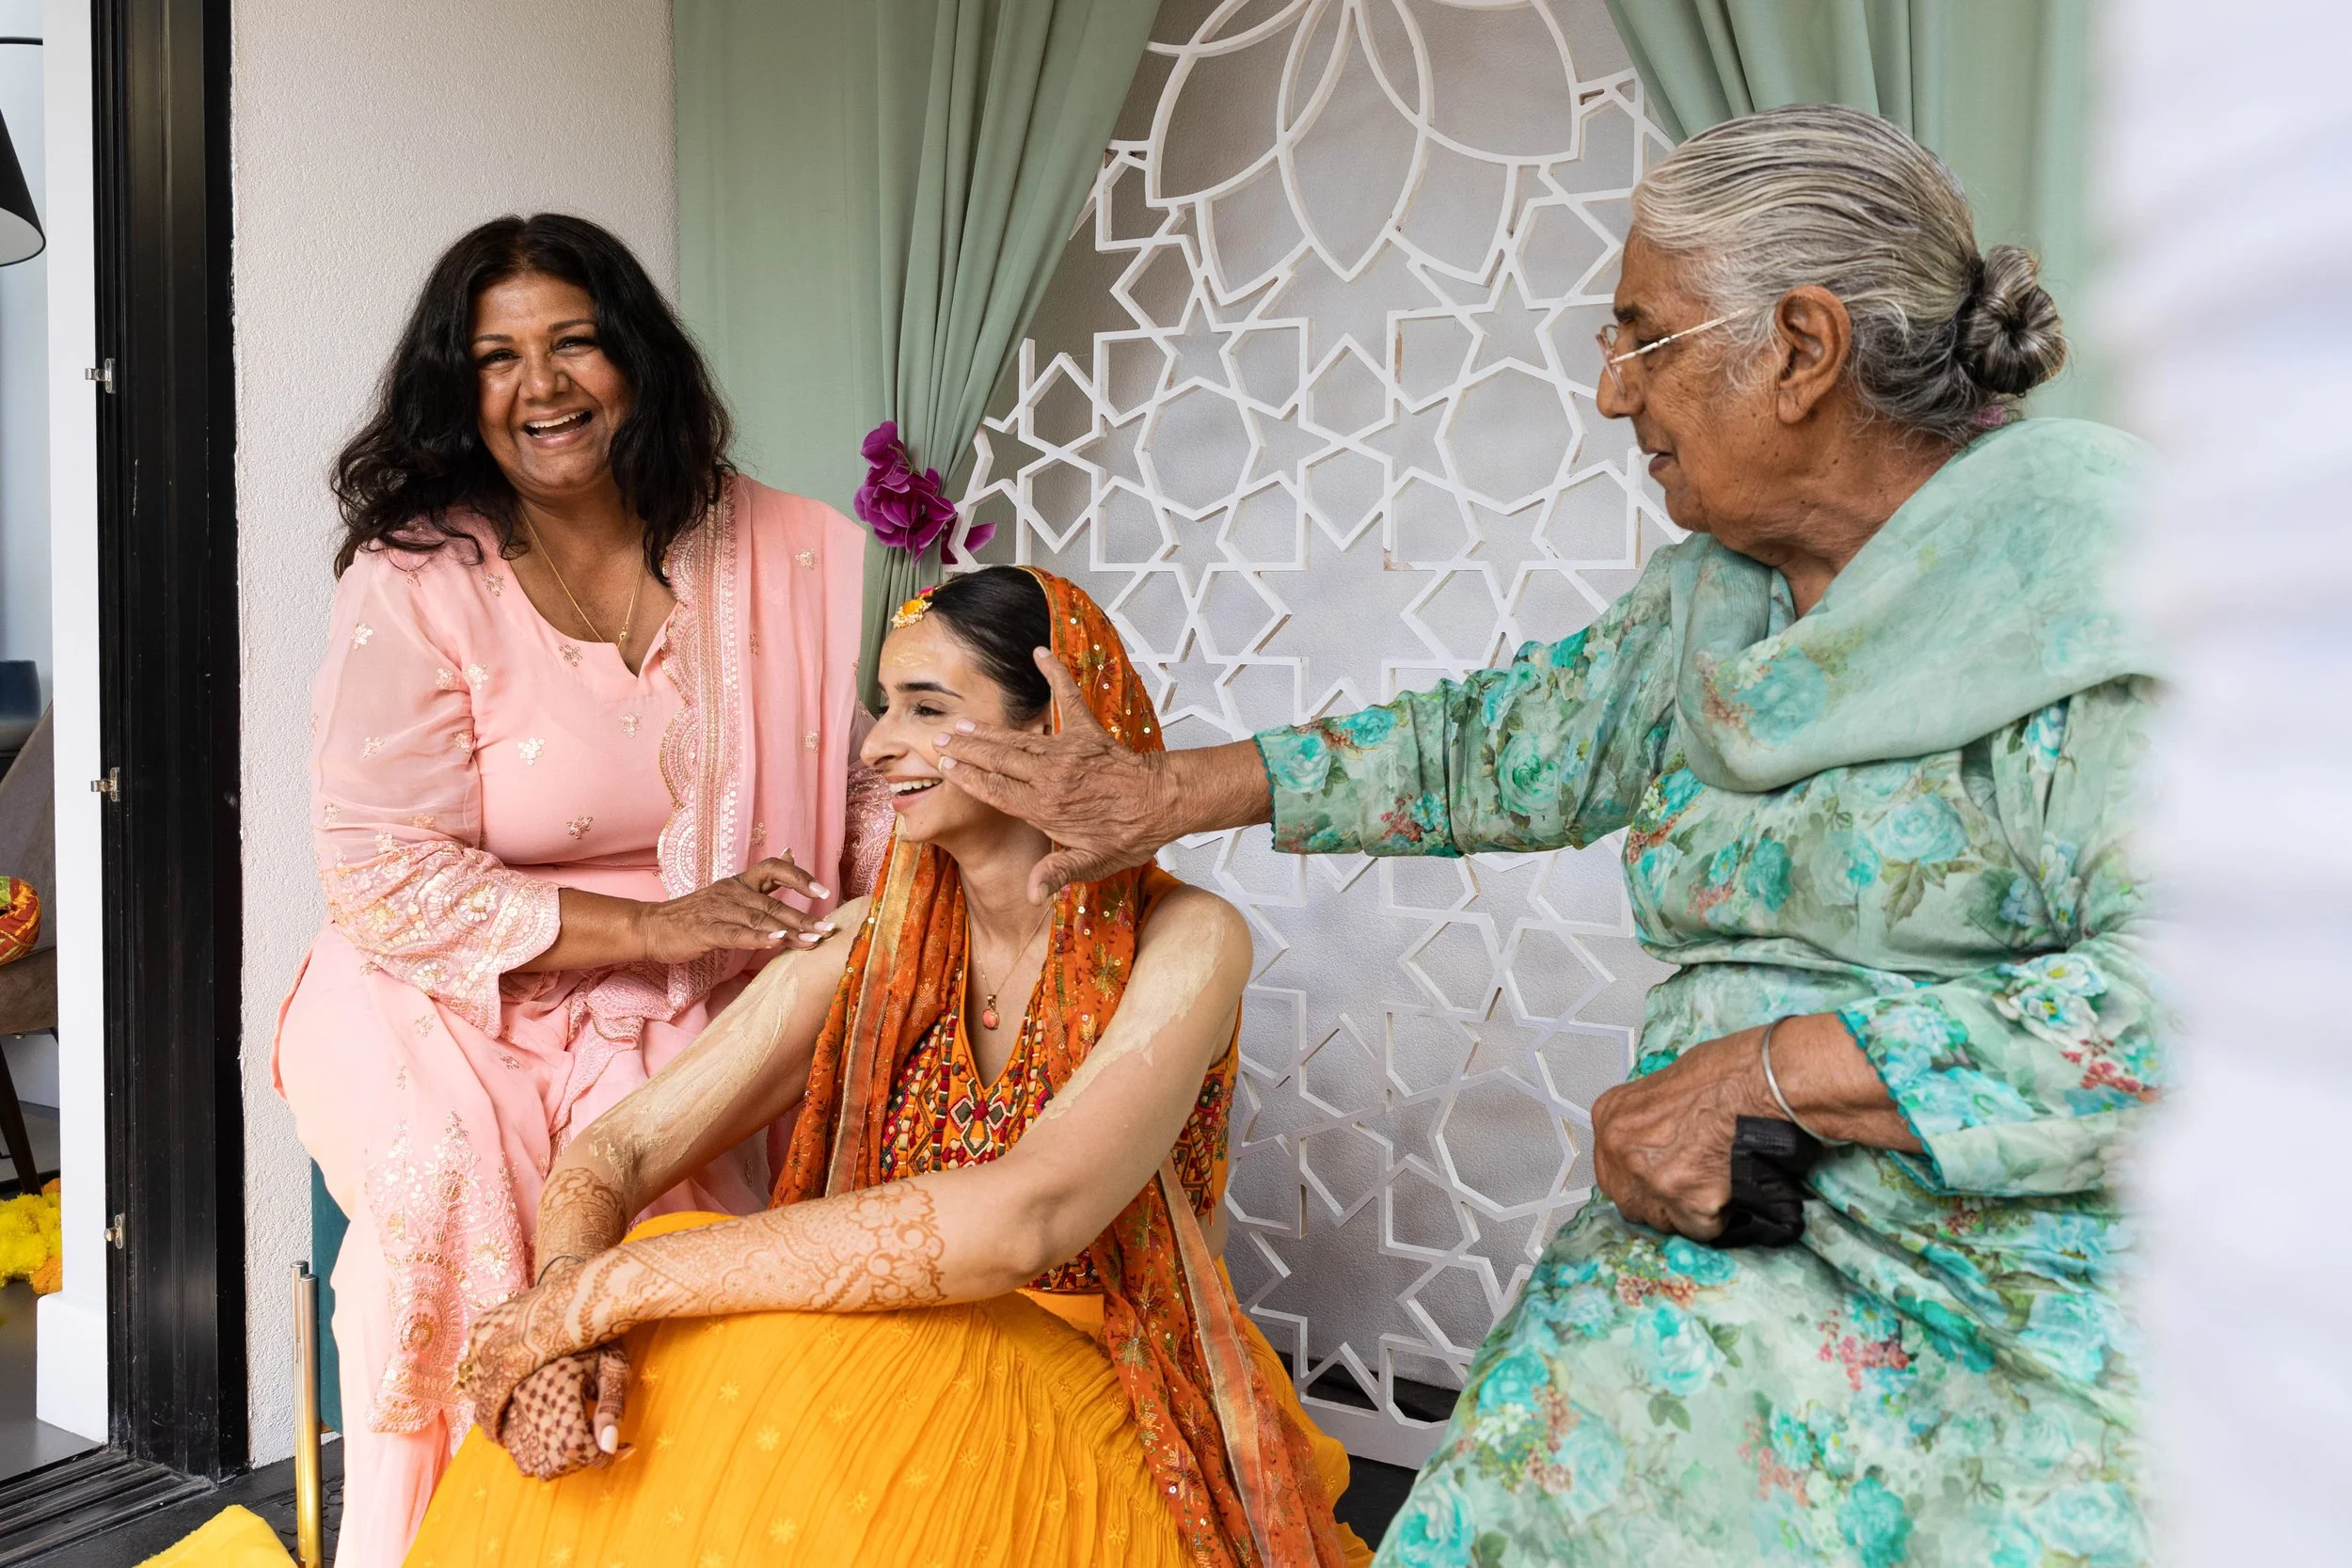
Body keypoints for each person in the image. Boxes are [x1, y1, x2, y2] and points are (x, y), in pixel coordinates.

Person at [937, 106, 2161, 1566]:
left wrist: (1769, 1075)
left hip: (2007, 1289)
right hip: (1717, 1240)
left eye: (1643, 337)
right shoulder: (1716, 597)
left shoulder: (2101, 585)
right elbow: (1494, 744)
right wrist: (1164, 794)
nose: (1608, 390)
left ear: (1802, 348)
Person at [399, 567, 1373, 1568]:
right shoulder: (871, 943)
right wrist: (572, 1321)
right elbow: (617, 1150)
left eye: (926, 708)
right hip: (888, 1348)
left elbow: (1028, 1216)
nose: (875, 745)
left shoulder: (1185, 941)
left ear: (1053, 730)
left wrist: (612, 1289)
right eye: (885, 704)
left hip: (1101, 1383)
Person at [273, 214, 888, 1567]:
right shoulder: (417, 580)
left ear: (635, 359)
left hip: (691, 974)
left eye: (574, 343)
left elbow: (845, 783)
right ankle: (450, 1539)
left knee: (677, 1230)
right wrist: (660, 922)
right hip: (440, 974)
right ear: (458, 386)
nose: (540, 385)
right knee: (450, 1185)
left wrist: (957, 851)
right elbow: (382, 866)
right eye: (497, 356)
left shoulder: (761, 548)